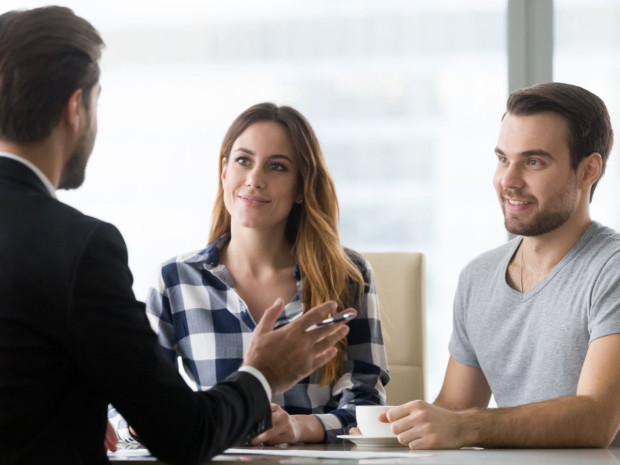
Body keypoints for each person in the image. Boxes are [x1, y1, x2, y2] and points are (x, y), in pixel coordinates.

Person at [0, 6, 355, 465]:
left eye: (277, 166)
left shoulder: (349, 274)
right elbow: (182, 433)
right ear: (76, 108)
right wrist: (263, 372)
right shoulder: (81, 248)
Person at [353, 82, 620, 448]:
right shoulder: (478, 278)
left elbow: (597, 419)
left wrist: (464, 427)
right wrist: (394, 431)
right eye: (503, 159)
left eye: (534, 161)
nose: (508, 181)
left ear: (588, 170)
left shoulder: (611, 270)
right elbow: (455, 411)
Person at [110, 103, 390, 445]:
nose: (255, 179)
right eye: (244, 160)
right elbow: (125, 408)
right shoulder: (175, 280)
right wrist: (147, 419)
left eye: (277, 167)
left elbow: (367, 402)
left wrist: (301, 427)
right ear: (224, 171)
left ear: (302, 187)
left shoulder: (348, 276)